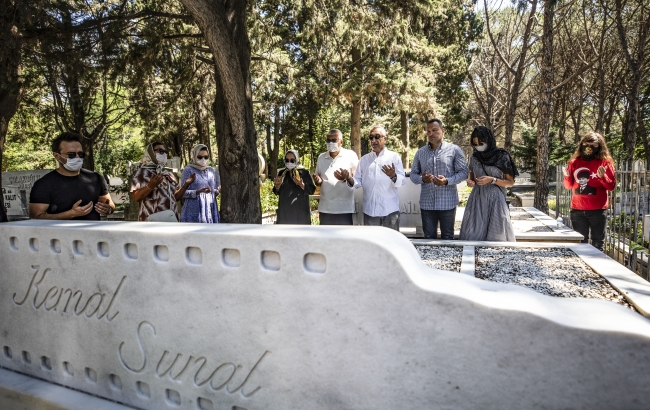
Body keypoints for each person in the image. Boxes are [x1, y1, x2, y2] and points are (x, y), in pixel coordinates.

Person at [29, 132, 115, 220]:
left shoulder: (95, 178)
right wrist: (70, 214)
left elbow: (110, 204)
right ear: (57, 156)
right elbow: (35, 217)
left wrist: (108, 209)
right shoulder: (44, 184)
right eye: (71, 155)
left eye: (80, 154)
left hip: (93, 229)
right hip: (60, 229)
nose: (77, 157)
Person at [410, 119, 468, 239]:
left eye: (434, 130)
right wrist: (422, 179)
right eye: (428, 131)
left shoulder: (454, 150)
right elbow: (413, 175)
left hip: (447, 203)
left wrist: (447, 181)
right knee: (428, 238)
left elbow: (463, 173)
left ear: (443, 130)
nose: (431, 134)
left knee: (448, 237)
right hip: (427, 204)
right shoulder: (420, 153)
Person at [459, 126, 517, 241]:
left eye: (481, 143)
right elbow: (472, 178)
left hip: (496, 199)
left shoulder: (502, 156)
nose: (478, 146)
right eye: (475, 144)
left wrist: (492, 180)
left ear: (488, 140)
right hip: (477, 198)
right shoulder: (474, 158)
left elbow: (510, 182)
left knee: (497, 234)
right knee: (474, 233)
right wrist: (470, 182)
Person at [562, 131, 616, 251]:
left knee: (598, 243)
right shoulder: (574, 162)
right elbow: (568, 186)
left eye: (593, 145)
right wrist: (566, 176)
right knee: (580, 244)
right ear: (581, 145)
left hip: (598, 210)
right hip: (578, 210)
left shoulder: (605, 162)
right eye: (586, 145)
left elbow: (611, 186)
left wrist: (602, 177)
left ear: (599, 146)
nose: (589, 148)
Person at [346, 125, 405, 230]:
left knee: (391, 240)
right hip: (370, 211)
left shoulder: (394, 157)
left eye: (377, 137)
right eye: (371, 137)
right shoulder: (364, 160)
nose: (373, 140)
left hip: (390, 210)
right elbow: (357, 181)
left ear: (385, 139)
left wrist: (393, 176)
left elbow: (402, 180)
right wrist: (348, 178)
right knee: (372, 240)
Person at [131, 142, 192, 222]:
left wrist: (185, 185)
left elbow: (175, 197)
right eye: (160, 151)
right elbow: (136, 197)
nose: (163, 154)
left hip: (171, 218)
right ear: (151, 152)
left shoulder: (168, 173)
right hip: (152, 219)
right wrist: (150, 186)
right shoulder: (142, 172)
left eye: (165, 152)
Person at [312, 129, 359, 225]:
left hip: (344, 209)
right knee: (325, 234)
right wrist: (318, 181)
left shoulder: (350, 155)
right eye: (328, 140)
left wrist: (347, 178)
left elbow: (358, 181)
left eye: (334, 140)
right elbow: (319, 181)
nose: (330, 143)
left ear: (341, 142)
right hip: (325, 208)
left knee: (344, 235)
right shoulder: (321, 157)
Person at [180, 144, 221, 223]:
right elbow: (183, 193)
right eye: (200, 157)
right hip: (194, 210)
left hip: (210, 209)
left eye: (206, 157)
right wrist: (198, 192)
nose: (203, 159)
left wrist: (217, 191)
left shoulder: (210, 170)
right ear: (194, 156)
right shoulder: (188, 170)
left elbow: (213, 191)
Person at [273, 150, 316, 224]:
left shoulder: (304, 173)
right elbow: (277, 191)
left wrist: (302, 185)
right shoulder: (282, 174)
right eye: (287, 160)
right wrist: (277, 186)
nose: (289, 162)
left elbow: (311, 190)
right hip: (285, 214)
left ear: (297, 160)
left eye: (292, 160)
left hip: (300, 215)